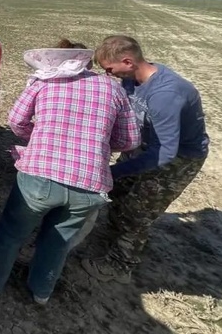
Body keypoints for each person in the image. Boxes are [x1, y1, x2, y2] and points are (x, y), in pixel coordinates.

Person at [0, 39, 141, 305]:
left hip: (41, 174)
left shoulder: (43, 82)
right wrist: (98, 144)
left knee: (12, 232)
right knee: (59, 240)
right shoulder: (112, 88)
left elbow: (16, 121)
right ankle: (42, 291)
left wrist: (39, 136)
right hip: (90, 183)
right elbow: (130, 139)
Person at [81, 35, 209, 284]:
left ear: (128, 62)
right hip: (146, 147)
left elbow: (165, 152)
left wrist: (115, 170)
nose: (108, 75)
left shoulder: (166, 95)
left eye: (110, 69)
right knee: (116, 192)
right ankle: (117, 237)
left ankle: (121, 264)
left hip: (177, 158)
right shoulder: (131, 79)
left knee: (138, 211)